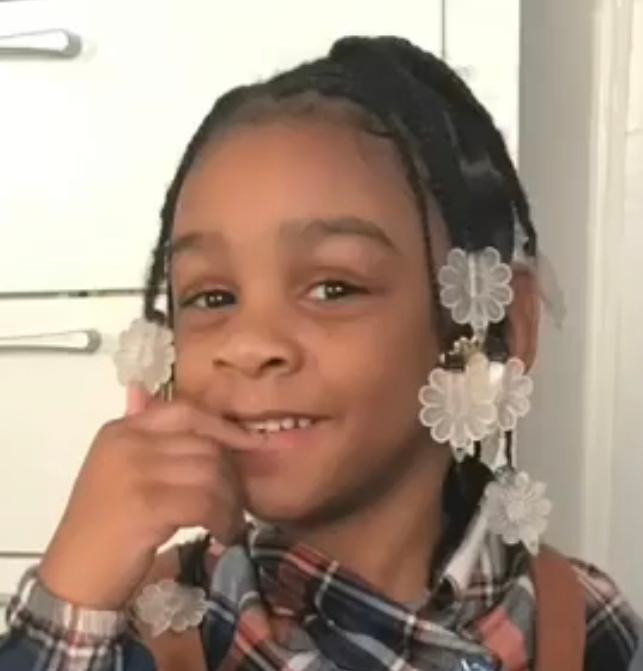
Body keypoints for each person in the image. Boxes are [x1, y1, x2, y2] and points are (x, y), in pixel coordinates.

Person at [1, 35, 641, 671]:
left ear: (497, 326)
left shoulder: (581, 621)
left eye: (333, 287)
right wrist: (70, 603)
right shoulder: (131, 630)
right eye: (212, 297)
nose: (249, 346)